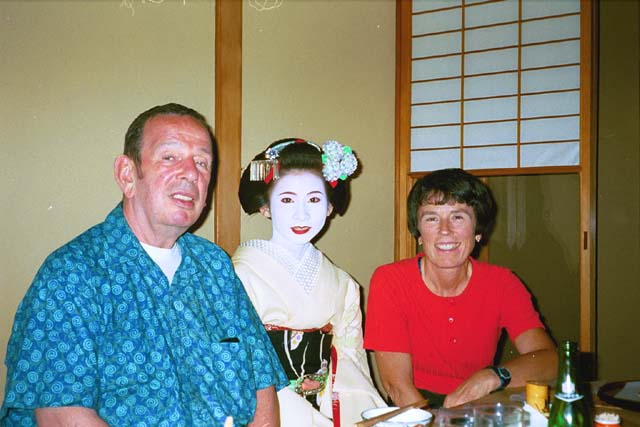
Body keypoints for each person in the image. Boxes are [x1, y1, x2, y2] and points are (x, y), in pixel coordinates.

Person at [0, 103, 288, 427]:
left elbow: (262, 383)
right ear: (127, 174)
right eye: (170, 157)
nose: (191, 173)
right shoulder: (72, 273)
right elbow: (61, 415)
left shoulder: (215, 266)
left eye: (203, 163)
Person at [364, 168, 557, 409]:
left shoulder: (502, 283)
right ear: (419, 233)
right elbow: (398, 386)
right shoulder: (390, 280)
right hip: (416, 410)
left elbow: (549, 359)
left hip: (481, 406)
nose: (445, 230)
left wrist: (493, 376)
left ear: (477, 231)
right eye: (432, 218)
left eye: (458, 217)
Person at [232, 138, 386, 427]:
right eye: (287, 199)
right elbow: (238, 369)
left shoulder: (343, 285)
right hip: (263, 413)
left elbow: (350, 364)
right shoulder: (240, 276)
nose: (302, 214)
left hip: (324, 412)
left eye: (315, 199)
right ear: (266, 207)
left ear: (329, 207)